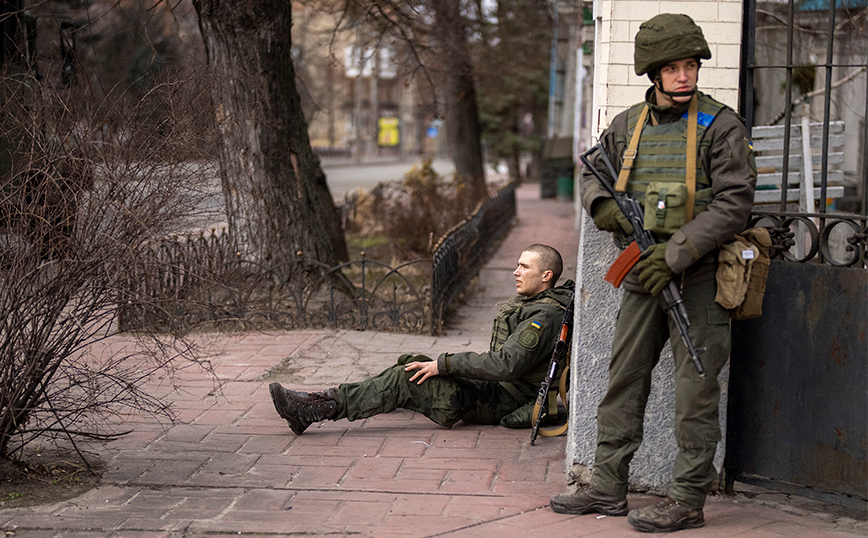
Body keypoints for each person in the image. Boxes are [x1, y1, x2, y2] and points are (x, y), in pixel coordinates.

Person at [549, 14, 756, 533]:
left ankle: (687, 499)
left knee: (696, 393)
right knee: (623, 381)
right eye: (672, 67)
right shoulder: (627, 126)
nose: (684, 76)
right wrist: (607, 212)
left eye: (690, 66)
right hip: (642, 274)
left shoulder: (721, 126)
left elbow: (734, 205)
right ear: (653, 73)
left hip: (701, 277)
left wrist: (678, 251)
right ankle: (606, 486)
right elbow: (592, 174)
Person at [269, 244, 574, 436]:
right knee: (409, 364)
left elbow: (505, 365)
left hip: (498, 399)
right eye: (517, 264)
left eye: (524, 267)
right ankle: (340, 399)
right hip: (496, 390)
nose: (515, 272)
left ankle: (313, 410)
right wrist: (443, 366)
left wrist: (445, 364)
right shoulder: (540, 305)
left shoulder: (542, 317)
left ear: (546, 275)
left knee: (407, 379)